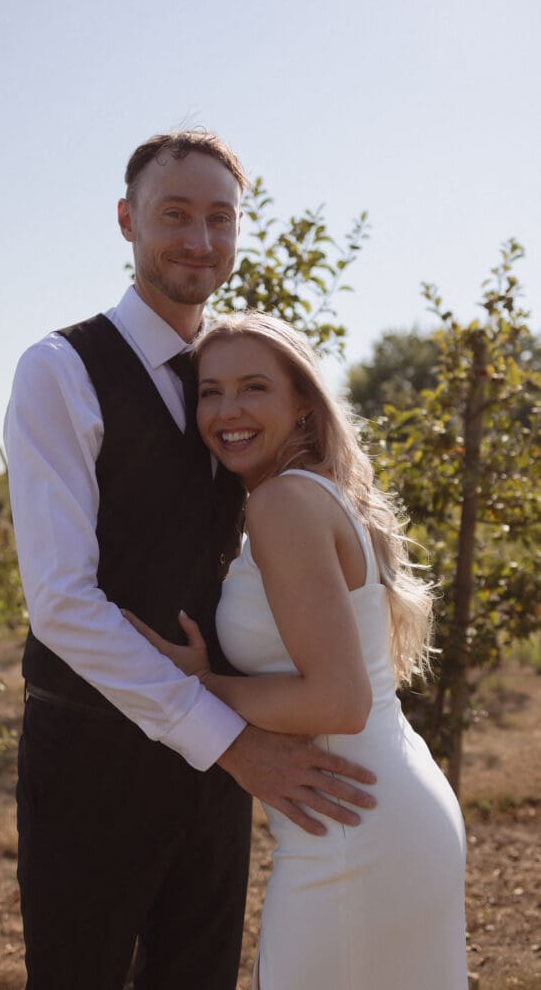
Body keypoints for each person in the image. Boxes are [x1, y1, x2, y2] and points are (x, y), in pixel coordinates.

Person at [3, 130, 377, 990]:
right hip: (94, 757)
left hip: (214, 760)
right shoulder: (59, 370)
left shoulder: (236, 378)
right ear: (128, 221)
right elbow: (60, 603)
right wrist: (230, 740)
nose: (199, 240)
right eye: (174, 215)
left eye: (219, 218)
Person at [127, 312, 468, 989]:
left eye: (254, 387)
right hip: (380, 809)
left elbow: (337, 702)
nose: (227, 411)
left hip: (352, 831)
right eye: (210, 391)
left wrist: (198, 686)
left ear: (303, 404)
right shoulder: (317, 495)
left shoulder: (281, 504)